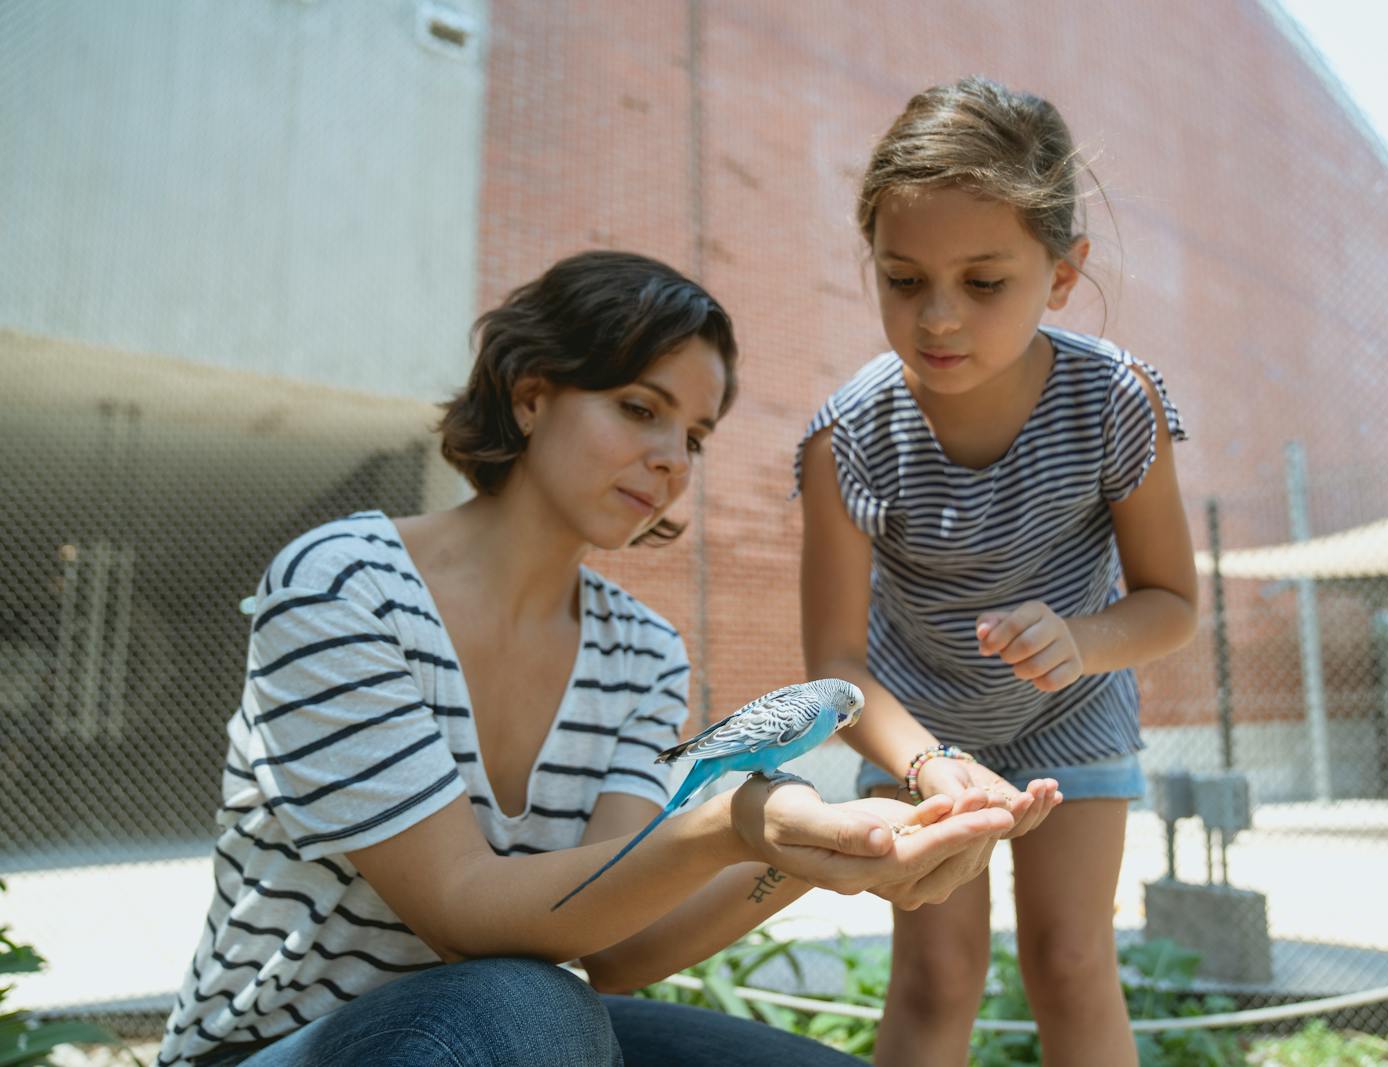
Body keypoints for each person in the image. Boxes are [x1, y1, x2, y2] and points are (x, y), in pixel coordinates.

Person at [157, 250, 1016, 1067]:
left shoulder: (640, 651)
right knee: (526, 1005)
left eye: (695, 436)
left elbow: (617, 943)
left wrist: (827, 850)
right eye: (641, 408)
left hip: (519, 1036)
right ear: (531, 397)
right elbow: (461, 911)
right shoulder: (341, 585)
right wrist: (732, 824)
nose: (671, 460)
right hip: (283, 1044)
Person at [796, 78, 1199, 1067]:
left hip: (1071, 714)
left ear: (1062, 275)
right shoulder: (847, 436)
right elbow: (838, 664)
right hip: (914, 732)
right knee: (935, 979)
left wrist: (1082, 638)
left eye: (983, 283)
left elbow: (1173, 602)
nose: (937, 317)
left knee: (1069, 961)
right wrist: (929, 766)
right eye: (902, 279)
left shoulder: (1114, 398)